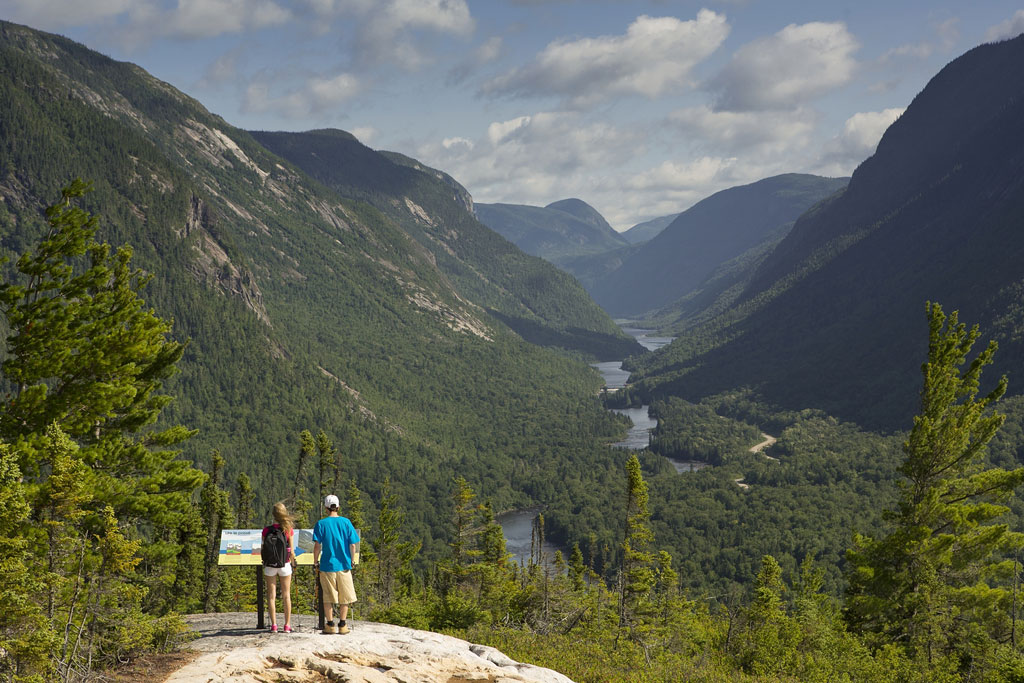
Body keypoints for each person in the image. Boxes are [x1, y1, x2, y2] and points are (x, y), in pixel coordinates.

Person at [313, 494, 360, 634]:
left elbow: (317, 546)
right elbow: (352, 544)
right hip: (344, 565)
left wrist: (315, 561)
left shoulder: (321, 524)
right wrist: (351, 559)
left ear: (326, 508)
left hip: (327, 565)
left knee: (328, 596)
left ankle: (330, 625)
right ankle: (343, 625)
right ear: (338, 507)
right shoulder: (346, 522)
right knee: (344, 596)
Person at [262, 502, 297, 633]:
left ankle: (274, 625)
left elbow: (263, 548)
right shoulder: (288, 530)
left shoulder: (266, 530)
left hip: (270, 565)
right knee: (286, 595)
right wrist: (293, 562)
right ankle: (287, 625)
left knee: (271, 596)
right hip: (285, 564)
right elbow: (291, 550)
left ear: (273, 515)